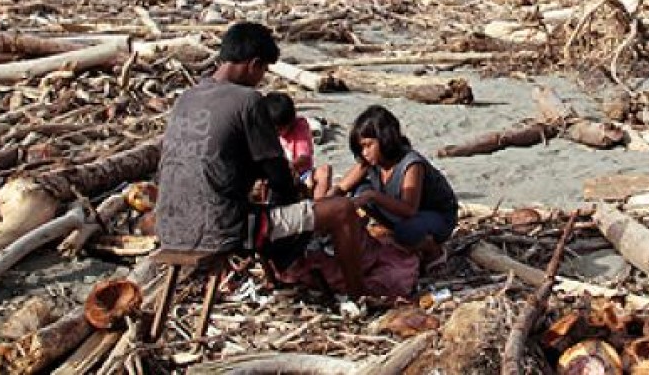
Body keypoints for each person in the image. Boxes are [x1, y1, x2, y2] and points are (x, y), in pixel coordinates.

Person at [155, 22, 366, 296]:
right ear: (254, 64)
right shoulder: (248, 100)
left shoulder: (187, 97)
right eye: (264, 70)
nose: (261, 77)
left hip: (169, 227)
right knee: (342, 210)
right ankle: (360, 296)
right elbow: (277, 173)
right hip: (223, 229)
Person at [328, 105, 458, 270]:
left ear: (384, 139)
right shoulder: (369, 162)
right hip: (404, 214)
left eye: (368, 145)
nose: (365, 152)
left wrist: (372, 196)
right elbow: (342, 186)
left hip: (437, 216)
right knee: (359, 189)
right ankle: (395, 231)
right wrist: (323, 203)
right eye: (361, 147)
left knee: (406, 230)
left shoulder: (411, 164)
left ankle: (433, 251)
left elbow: (409, 209)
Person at [264, 91, 333, 195]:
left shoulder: (300, 127)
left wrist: (291, 166)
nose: (277, 132)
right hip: (275, 176)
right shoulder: (264, 130)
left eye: (281, 129)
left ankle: (318, 205)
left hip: (302, 174)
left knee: (324, 171)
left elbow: (304, 157)